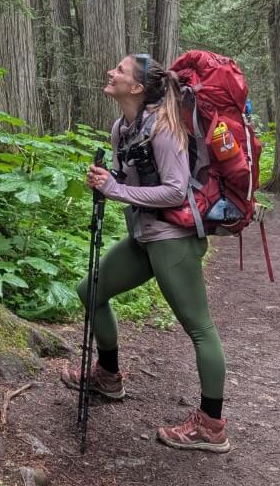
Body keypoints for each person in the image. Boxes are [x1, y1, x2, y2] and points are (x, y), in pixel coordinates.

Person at [61, 53, 230, 453]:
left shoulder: (166, 128)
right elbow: (129, 178)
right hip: (145, 234)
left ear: (136, 87)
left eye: (119, 70)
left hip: (174, 239)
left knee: (200, 327)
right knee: (91, 291)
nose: (110, 72)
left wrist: (114, 190)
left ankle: (211, 426)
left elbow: (175, 189)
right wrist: (107, 179)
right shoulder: (123, 127)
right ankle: (109, 375)